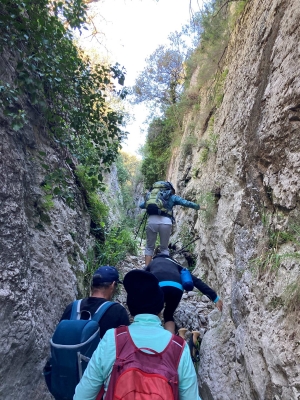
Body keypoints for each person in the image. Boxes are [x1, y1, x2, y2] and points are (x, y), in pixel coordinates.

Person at [73, 269, 202, 400]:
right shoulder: (179, 348)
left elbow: (82, 396)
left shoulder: (112, 339)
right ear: (161, 309)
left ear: (130, 307)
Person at [145, 253, 223, 334]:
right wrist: (215, 298)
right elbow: (196, 281)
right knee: (168, 314)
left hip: (159, 286)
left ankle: (153, 336)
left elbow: (142, 278)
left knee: (155, 311)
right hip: (177, 288)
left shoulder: (152, 263)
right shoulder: (175, 264)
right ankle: (170, 341)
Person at [139, 181, 204, 266]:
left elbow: (141, 205)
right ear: (169, 189)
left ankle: (147, 269)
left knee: (149, 247)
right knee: (164, 248)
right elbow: (185, 203)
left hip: (152, 221)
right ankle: (164, 268)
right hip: (166, 222)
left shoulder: (152, 197)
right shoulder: (171, 197)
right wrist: (199, 207)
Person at [60, 265, 130, 338]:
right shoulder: (118, 311)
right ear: (112, 285)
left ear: (92, 285)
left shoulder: (72, 307)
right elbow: (126, 345)